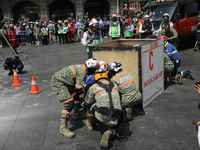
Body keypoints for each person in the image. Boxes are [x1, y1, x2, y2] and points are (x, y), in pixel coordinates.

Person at [50, 58, 99, 138]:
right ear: (90, 68)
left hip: (66, 82)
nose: (93, 72)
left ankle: (76, 114)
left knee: (77, 95)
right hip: (58, 82)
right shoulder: (83, 72)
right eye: (94, 70)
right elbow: (78, 89)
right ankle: (63, 128)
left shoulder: (83, 68)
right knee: (69, 103)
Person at [83, 69, 122, 149]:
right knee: (115, 127)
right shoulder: (115, 85)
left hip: (101, 115)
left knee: (89, 105)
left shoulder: (94, 87)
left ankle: (90, 123)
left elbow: (87, 103)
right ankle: (109, 132)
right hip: (117, 115)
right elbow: (120, 99)